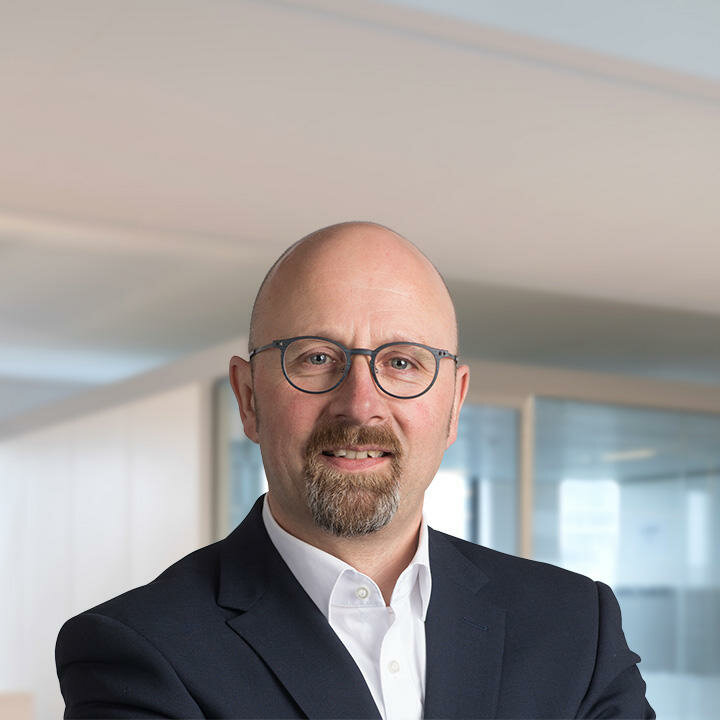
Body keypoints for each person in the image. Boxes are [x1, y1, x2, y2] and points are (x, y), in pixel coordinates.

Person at [56, 222, 654, 719]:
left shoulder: (575, 626)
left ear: (454, 405)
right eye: (317, 358)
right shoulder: (138, 651)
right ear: (249, 398)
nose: (361, 405)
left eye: (402, 362)